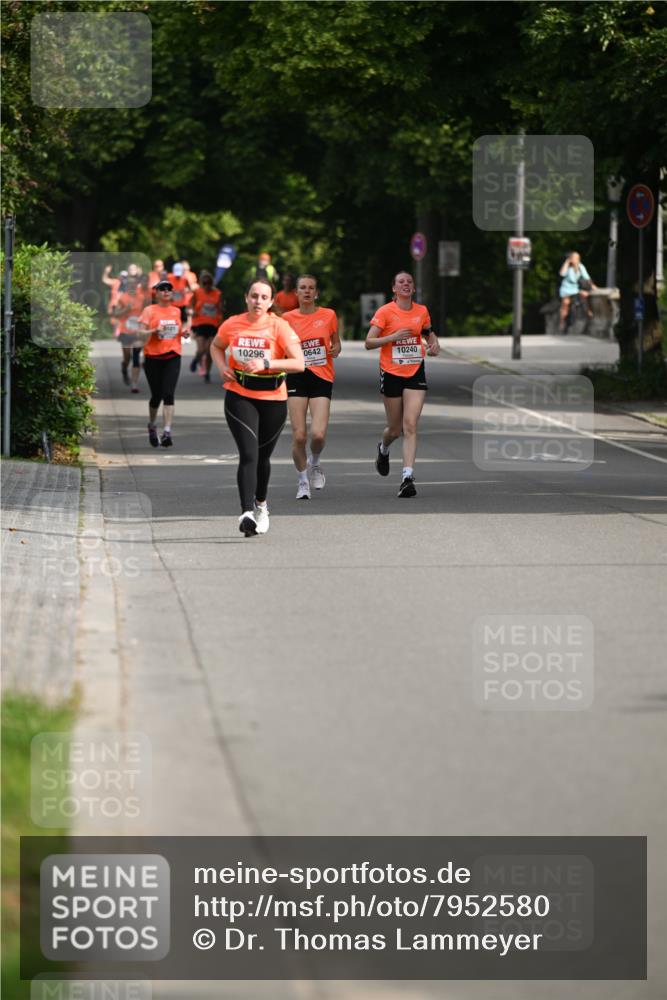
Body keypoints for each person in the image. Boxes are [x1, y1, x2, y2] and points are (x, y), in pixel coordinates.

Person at [210, 278, 304, 537]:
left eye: (264, 297)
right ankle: (246, 513)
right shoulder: (232, 324)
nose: (258, 301)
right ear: (246, 298)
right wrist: (222, 367)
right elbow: (216, 346)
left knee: (262, 457)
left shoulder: (279, 326)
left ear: (272, 302)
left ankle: (261, 504)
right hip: (239, 395)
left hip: (273, 398)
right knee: (248, 454)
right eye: (254, 296)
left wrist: (267, 363)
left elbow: (299, 363)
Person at [364, 271, 440, 498]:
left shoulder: (421, 311)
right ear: (394, 289)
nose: (406, 285)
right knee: (395, 429)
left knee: (410, 425)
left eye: (409, 282)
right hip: (391, 372)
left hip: (415, 371)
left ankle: (407, 477)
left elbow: (429, 334)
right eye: (401, 282)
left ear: (413, 289)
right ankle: (383, 448)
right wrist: (392, 337)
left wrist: (435, 345)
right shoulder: (385, 312)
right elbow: (368, 342)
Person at [283, 274, 340, 499]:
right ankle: (302, 480)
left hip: (322, 377)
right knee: (299, 436)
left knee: (317, 434)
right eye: (303, 288)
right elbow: (279, 346)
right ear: (296, 293)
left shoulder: (328, 315)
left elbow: (336, 342)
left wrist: (336, 348)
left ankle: (315, 462)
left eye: (311, 288)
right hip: (297, 377)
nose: (307, 292)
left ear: (316, 293)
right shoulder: (286, 319)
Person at [137, 279, 191, 448]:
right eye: (162, 289)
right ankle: (152, 425)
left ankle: (167, 431)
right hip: (153, 357)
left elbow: (177, 331)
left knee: (168, 393)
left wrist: (184, 333)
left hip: (172, 356)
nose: (166, 291)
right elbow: (140, 334)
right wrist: (153, 331)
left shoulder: (176, 311)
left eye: (169, 289)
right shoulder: (149, 311)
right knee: (156, 395)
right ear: (157, 293)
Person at [112, 272, 146, 392]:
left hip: (137, 332)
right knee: (127, 358)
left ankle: (134, 384)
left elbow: (147, 313)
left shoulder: (142, 297)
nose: (132, 286)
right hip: (125, 331)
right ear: (127, 286)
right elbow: (115, 314)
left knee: (136, 356)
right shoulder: (122, 297)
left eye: (134, 284)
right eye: (130, 284)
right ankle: (124, 368)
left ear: (137, 285)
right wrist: (126, 309)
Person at [188, 270, 223, 382]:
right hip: (200, 324)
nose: (207, 286)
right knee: (201, 349)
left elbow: (221, 309)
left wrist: (220, 313)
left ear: (212, 283)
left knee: (209, 351)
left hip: (213, 324)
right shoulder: (197, 292)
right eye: (204, 283)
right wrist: (192, 311)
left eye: (209, 283)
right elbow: (191, 305)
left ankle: (207, 372)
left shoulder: (217, 293)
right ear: (201, 283)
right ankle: (196, 360)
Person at [559, 252, 597, 331]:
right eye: (573, 258)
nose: (574, 260)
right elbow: (562, 274)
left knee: (584, 295)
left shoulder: (580, 266)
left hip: (575, 287)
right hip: (566, 287)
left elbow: (587, 277)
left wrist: (593, 285)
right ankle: (562, 322)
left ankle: (588, 312)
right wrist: (567, 262)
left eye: (576, 258)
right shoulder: (568, 267)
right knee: (565, 303)